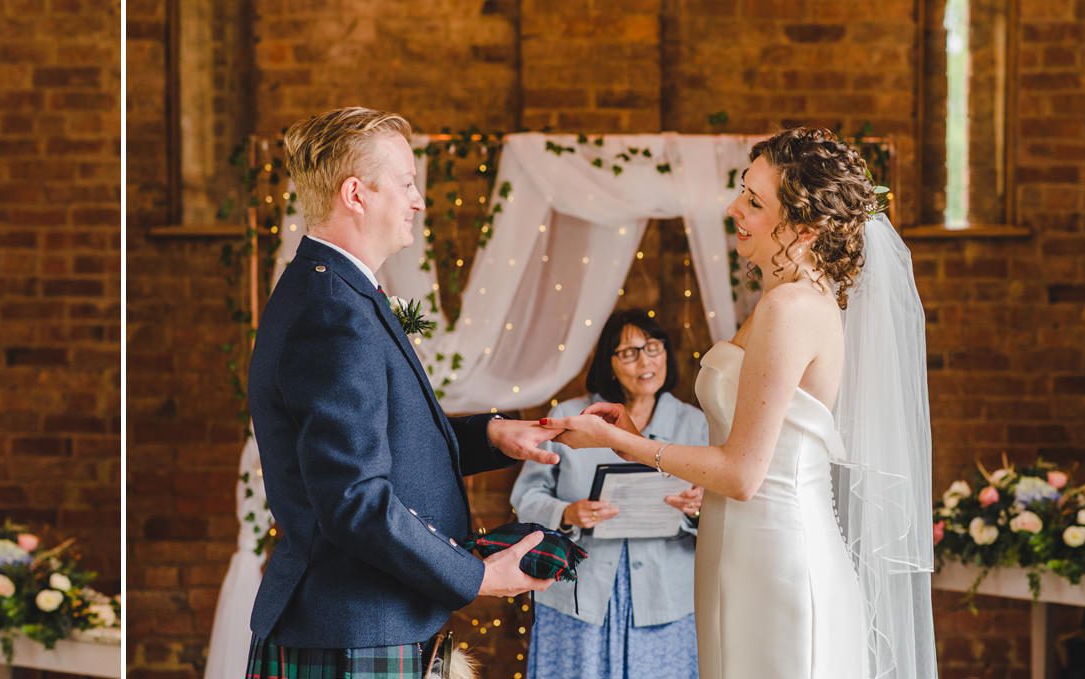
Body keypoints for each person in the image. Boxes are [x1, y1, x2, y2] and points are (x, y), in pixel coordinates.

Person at [552, 127, 937, 678]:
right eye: (741, 190)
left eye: (754, 202)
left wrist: (621, 442)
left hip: (779, 556)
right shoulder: (774, 300)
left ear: (803, 230)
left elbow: (741, 473)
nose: (733, 207)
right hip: (735, 547)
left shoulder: (793, 308)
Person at [241, 107, 563, 678]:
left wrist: (491, 433)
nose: (418, 200)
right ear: (356, 194)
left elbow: (382, 442)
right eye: (408, 183)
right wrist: (478, 576)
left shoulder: (337, 291)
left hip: (363, 621)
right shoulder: (332, 311)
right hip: (353, 626)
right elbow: (354, 499)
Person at [511, 310, 706, 678]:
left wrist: (696, 510)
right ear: (609, 363)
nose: (645, 361)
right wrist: (568, 514)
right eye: (629, 352)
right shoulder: (570, 416)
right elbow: (526, 498)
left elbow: (721, 506)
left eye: (652, 347)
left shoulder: (694, 423)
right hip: (579, 597)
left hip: (666, 600)